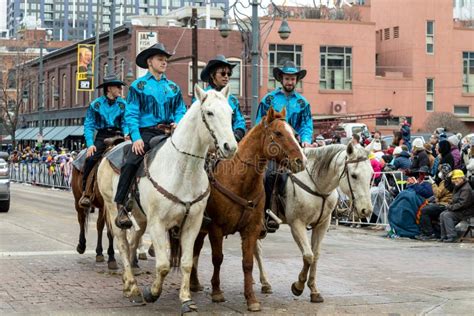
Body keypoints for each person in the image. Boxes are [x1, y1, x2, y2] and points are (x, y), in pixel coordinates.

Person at [113, 43, 187, 229]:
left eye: (165, 60)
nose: (164, 62)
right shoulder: (138, 86)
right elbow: (131, 113)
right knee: (130, 161)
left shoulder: (173, 87)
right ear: (149, 62)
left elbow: (180, 109)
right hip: (146, 132)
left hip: (169, 132)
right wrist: (136, 137)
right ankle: (122, 205)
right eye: (160, 59)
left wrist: (179, 121)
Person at [256, 60, 313, 231]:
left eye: (293, 79)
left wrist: (306, 139)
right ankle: (266, 214)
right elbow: (260, 122)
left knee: (311, 172)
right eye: (287, 78)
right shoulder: (269, 99)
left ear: (296, 80)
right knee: (272, 174)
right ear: (281, 79)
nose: (290, 82)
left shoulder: (303, 103)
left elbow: (306, 124)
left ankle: (310, 212)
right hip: (275, 148)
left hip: (295, 147)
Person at [79, 75, 128, 208]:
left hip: (120, 135)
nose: (120, 89)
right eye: (118, 87)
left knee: (133, 158)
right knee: (90, 159)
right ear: (109, 88)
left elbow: (125, 121)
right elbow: (88, 125)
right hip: (102, 136)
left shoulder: (123, 104)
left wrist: (128, 133)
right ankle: (86, 192)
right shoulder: (96, 104)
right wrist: (90, 145)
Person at [199, 55, 246, 142]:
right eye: (223, 73)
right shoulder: (202, 98)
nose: (226, 76)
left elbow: (240, 121)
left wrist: (237, 134)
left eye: (229, 74)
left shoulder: (233, 100)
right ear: (212, 75)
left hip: (229, 144)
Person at [415, 163, 453, 240]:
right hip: (442, 203)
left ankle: (429, 233)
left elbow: (438, 193)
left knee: (424, 210)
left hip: (445, 204)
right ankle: (429, 232)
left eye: (441, 171)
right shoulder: (445, 181)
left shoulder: (447, 181)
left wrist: (433, 183)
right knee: (426, 208)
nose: (439, 173)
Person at [439, 169, 474, 242]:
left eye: (456, 178)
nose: (454, 180)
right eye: (453, 179)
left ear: (462, 178)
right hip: (460, 210)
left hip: (465, 212)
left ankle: (452, 236)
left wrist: (450, 207)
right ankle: (444, 236)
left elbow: (462, 204)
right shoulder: (458, 186)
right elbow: (448, 186)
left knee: (447, 215)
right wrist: (448, 177)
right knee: (442, 214)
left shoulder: (466, 189)